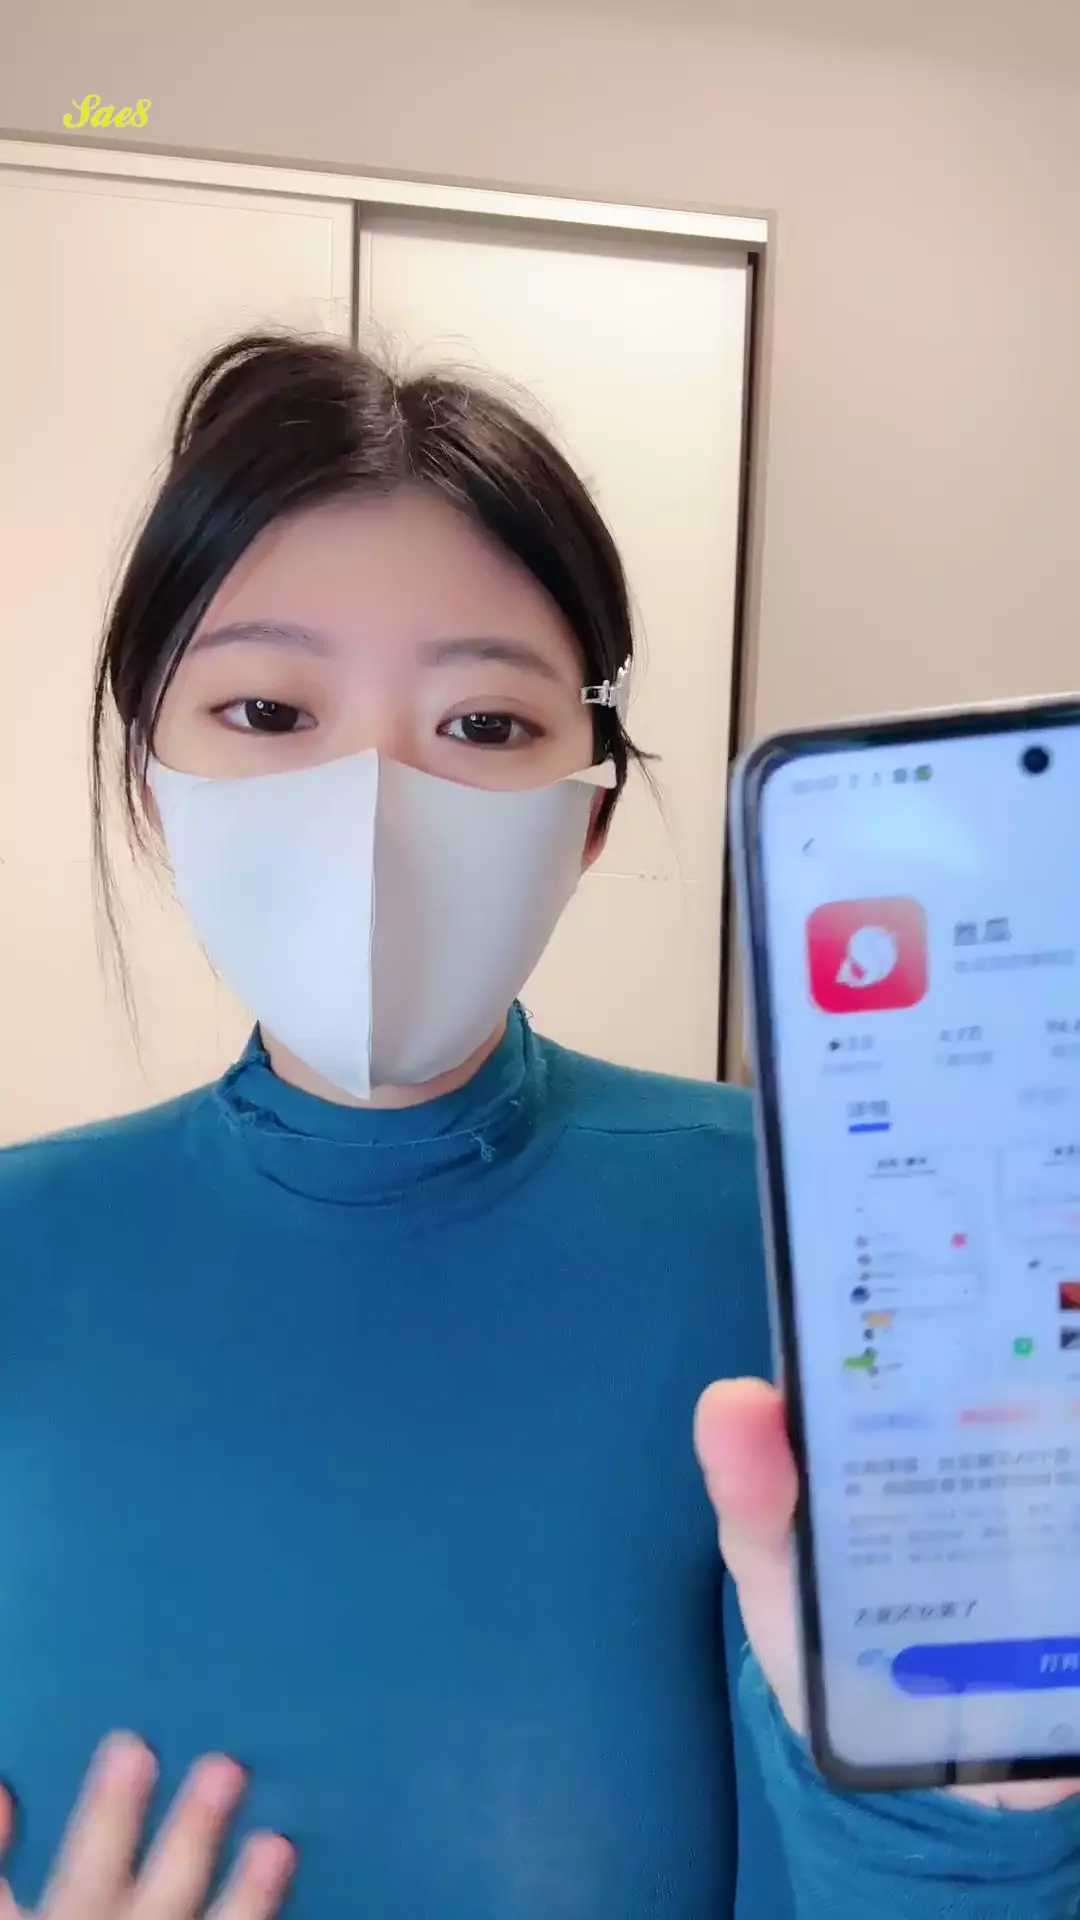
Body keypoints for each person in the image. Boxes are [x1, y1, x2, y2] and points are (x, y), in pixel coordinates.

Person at [0, 333, 1078, 1920]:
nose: (370, 804)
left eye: (486, 725)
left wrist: (982, 1814)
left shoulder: (814, 1238)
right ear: (158, 783)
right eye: (267, 707)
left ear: (591, 805)